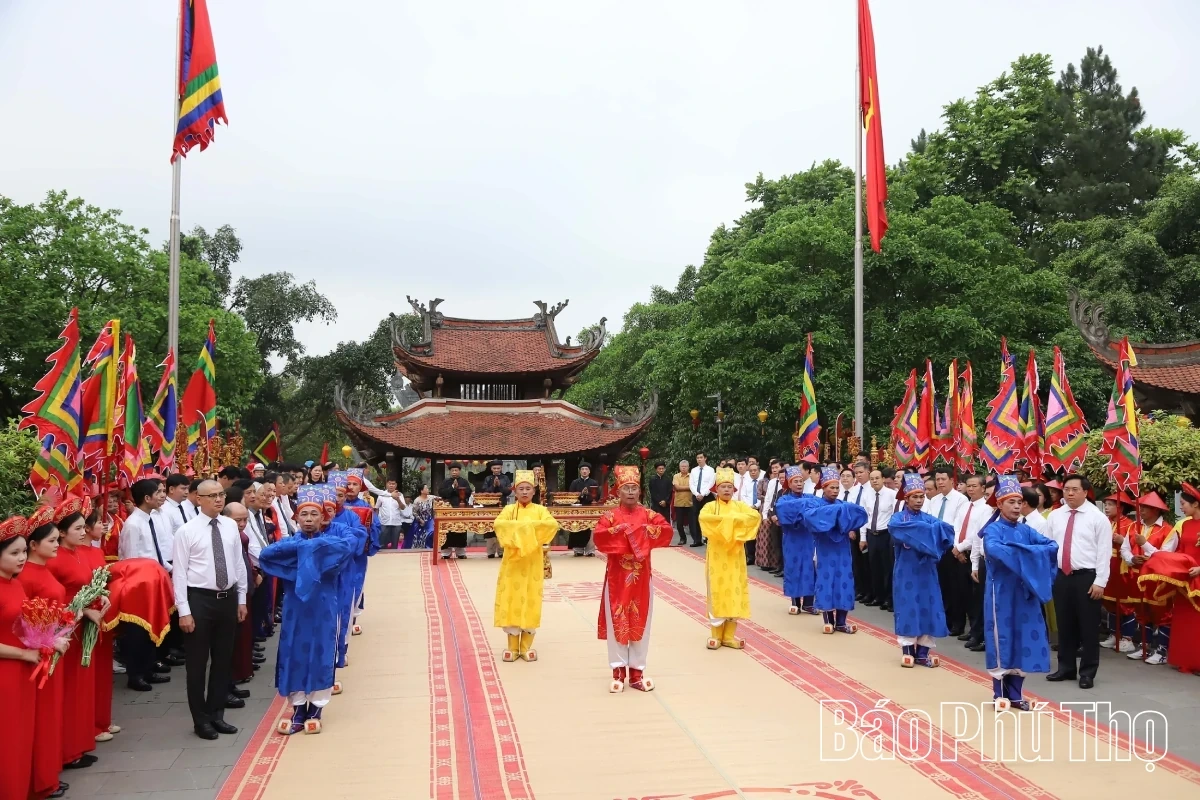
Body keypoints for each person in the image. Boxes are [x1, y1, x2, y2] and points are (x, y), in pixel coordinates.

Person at [260, 485, 356, 735]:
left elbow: (346, 548)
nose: (309, 519)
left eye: (315, 514)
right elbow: (266, 556)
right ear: (296, 518)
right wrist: (308, 551)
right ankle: (298, 708)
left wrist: (304, 552)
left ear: (324, 517)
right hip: (296, 608)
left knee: (321, 652)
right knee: (294, 652)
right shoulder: (289, 543)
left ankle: (316, 708)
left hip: (324, 604)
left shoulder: (334, 541)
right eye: (304, 515)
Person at [172, 479, 249, 739]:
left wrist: (241, 599)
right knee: (196, 664)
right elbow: (179, 573)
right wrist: (184, 610)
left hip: (227, 599)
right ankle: (200, 719)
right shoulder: (187, 531)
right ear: (199, 498)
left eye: (221, 495)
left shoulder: (229, 526)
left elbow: (238, 563)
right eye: (212, 496)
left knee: (223, 658)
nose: (218, 500)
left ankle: (217, 714)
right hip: (199, 600)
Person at [43, 494, 110, 769]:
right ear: (60, 533)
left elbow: (86, 587)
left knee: (82, 687)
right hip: (66, 630)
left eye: (85, 528)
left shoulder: (79, 554)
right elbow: (52, 599)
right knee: (70, 690)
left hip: (84, 627)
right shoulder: (55, 560)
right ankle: (68, 750)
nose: (84, 533)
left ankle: (79, 743)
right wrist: (81, 611)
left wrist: (100, 597)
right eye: (78, 529)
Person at [981, 475, 1059, 710]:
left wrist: (1023, 551)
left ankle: (1015, 694)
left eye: (1019, 502)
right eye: (1011, 502)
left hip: (1025, 593)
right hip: (1001, 595)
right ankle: (999, 694)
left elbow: (1051, 546)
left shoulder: (1026, 531)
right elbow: (995, 551)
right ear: (999, 504)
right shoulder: (992, 531)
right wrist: (1031, 553)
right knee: (1002, 638)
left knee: (1023, 638)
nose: (1016, 506)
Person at [593, 465, 671, 692]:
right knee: (617, 620)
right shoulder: (609, 516)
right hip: (617, 579)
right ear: (618, 490)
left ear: (639, 492)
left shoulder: (649, 515)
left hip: (642, 579)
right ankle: (618, 672)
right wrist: (625, 532)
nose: (630, 492)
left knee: (641, 622)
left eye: (634, 488)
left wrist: (635, 532)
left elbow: (665, 531)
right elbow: (600, 537)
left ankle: (637, 672)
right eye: (626, 488)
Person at [18, 518, 72, 799]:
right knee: (42, 718)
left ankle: (48, 774)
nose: (56, 545)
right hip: (37, 656)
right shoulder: (25, 576)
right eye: (51, 541)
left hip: (52, 648)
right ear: (33, 545)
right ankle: (40, 779)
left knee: (52, 714)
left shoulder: (44, 568)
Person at [1045, 474, 1110, 689]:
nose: (1069, 493)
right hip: (1061, 576)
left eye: (1074, 489)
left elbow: (1104, 552)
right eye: (1066, 489)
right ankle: (1066, 667)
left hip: (1087, 577)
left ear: (1085, 491)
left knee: (1088, 627)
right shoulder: (1056, 516)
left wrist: (1100, 581)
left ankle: (1088, 672)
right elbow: (1048, 546)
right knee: (1065, 624)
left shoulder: (1097, 517)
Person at [493, 471, 560, 663]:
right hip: (512, 562)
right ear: (515, 491)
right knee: (511, 599)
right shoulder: (508, 510)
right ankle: (512, 647)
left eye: (528, 488)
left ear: (534, 491)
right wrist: (529, 529)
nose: (524, 492)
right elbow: (499, 525)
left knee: (531, 598)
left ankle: (526, 646)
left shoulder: (540, 510)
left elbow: (550, 525)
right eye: (521, 488)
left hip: (532, 561)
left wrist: (520, 530)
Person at [888, 473, 953, 668]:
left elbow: (947, 531)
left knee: (929, 607)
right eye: (914, 497)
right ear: (906, 498)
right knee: (908, 607)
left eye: (921, 496)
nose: (918, 500)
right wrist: (926, 531)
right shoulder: (898, 518)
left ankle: (923, 652)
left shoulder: (929, 519)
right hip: (906, 571)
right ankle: (907, 651)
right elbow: (895, 529)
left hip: (927, 571)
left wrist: (922, 532)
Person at [0, 516, 45, 800]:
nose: (21, 558)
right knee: (7, 740)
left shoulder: (16, 584)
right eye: (14, 553)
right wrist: (24, 653)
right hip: (6, 673)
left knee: (21, 739)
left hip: (24, 671)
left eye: (23, 552)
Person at [1135, 481, 1200, 674]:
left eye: (1184, 504)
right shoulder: (1182, 525)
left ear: (1196, 504)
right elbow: (1168, 552)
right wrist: (1148, 548)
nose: (1180, 507)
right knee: (1185, 621)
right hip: (1185, 580)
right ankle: (1187, 660)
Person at [698, 467, 760, 649]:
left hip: (735, 557)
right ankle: (716, 635)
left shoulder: (740, 506)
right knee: (717, 592)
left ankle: (729, 636)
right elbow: (705, 519)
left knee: (735, 592)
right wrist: (733, 522)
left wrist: (728, 521)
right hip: (717, 557)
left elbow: (754, 517)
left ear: (734, 489)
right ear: (716, 489)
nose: (726, 490)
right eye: (723, 486)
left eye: (729, 487)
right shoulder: (710, 507)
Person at [806, 466, 870, 634]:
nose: (834, 491)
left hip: (842, 549)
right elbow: (811, 518)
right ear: (823, 488)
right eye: (831, 487)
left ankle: (841, 622)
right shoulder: (815, 504)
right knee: (826, 581)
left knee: (844, 582)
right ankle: (828, 620)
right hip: (825, 549)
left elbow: (860, 514)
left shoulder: (843, 505)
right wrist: (836, 513)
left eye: (837, 488)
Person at [774, 466, 821, 615]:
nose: (799, 484)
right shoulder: (783, 499)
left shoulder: (810, 497)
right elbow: (783, 509)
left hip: (808, 538)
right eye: (795, 481)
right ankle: (795, 602)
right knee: (793, 568)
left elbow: (819, 505)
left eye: (801, 481)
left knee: (809, 568)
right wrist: (804, 508)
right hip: (792, 539)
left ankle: (808, 603)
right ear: (789, 483)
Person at [1098, 492, 1140, 654]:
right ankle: (1114, 634)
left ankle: (1128, 637)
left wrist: (1123, 541)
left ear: (1120, 507)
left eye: (1110, 505)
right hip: (1107, 564)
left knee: (1125, 603)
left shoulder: (1130, 525)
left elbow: (1135, 546)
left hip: (1122, 566)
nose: (1106, 508)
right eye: (1106, 504)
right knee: (1110, 602)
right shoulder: (1105, 522)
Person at [341, 468, 381, 635]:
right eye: (348, 484)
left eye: (355, 484)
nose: (351, 487)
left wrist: (368, 544)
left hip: (357, 556)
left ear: (361, 487)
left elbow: (376, 526)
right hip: (338, 553)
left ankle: (353, 619)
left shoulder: (366, 506)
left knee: (356, 583)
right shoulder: (335, 506)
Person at [957, 475, 994, 652]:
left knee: (978, 599)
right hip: (960, 553)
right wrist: (957, 547)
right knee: (964, 594)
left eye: (974, 486)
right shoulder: (964, 505)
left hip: (974, 553)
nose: (970, 489)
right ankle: (973, 631)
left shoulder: (986, 509)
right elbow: (958, 527)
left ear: (982, 488)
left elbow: (977, 534)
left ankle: (978, 633)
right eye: (969, 486)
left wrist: (963, 547)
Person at [864, 468, 897, 611]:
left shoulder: (892, 495)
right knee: (874, 567)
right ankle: (878, 596)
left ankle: (888, 599)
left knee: (887, 568)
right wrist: (863, 537)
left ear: (883, 479)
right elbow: (865, 517)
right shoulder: (867, 495)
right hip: (872, 534)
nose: (874, 481)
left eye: (877, 478)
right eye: (872, 478)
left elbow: (895, 516)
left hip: (885, 535)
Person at [437, 463, 472, 558]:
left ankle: (460, 553)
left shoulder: (464, 481)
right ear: (450, 471)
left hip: (461, 508)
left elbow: (468, 492)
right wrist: (452, 487)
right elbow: (442, 493)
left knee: (461, 530)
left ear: (459, 471)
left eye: (456, 470)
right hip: (448, 509)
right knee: (447, 530)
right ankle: (446, 553)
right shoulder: (446, 481)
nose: (454, 472)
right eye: (452, 470)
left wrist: (458, 489)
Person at [756, 460, 784, 575]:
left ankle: (783, 567)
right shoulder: (772, 482)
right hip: (771, 515)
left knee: (783, 542)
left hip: (782, 516)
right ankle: (777, 565)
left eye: (777, 467)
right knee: (775, 542)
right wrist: (765, 515)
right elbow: (768, 499)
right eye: (773, 468)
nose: (775, 470)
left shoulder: (786, 482)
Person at [481, 461, 513, 558]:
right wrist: (493, 486)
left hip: (502, 506)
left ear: (501, 468)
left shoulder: (505, 478)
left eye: (498, 468)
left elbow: (508, 491)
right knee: (490, 528)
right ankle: (490, 551)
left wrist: (499, 485)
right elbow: (485, 491)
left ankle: (501, 551)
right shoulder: (487, 478)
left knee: (501, 527)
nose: (496, 470)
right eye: (494, 468)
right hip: (489, 506)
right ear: (491, 469)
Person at [568, 462, 600, 556]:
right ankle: (578, 550)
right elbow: (571, 495)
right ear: (580, 471)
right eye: (582, 469)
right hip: (577, 509)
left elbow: (597, 496)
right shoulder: (575, 482)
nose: (584, 471)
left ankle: (590, 550)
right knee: (577, 528)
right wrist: (581, 494)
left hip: (590, 508)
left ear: (589, 471)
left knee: (590, 528)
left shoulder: (593, 482)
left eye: (586, 469)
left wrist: (588, 495)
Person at [369, 477, 407, 550]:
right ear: (386, 484)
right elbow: (376, 508)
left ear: (396, 485)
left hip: (396, 523)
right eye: (390, 484)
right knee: (382, 543)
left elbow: (403, 507)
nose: (391, 485)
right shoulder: (381, 495)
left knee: (394, 544)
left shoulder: (400, 495)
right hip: (384, 522)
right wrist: (375, 521)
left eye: (393, 484)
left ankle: (394, 559)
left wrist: (398, 499)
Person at [689, 452, 715, 547]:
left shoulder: (710, 470)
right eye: (697, 458)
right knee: (696, 517)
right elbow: (691, 484)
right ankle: (697, 540)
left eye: (701, 457)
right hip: (696, 496)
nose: (699, 459)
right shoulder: (693, 470)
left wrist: (703, 494)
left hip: (707, 496)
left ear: (705, 458)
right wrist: (697, 494)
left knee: (708, 517)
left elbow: (711, 484)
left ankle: (708, 538)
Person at [671, 460, 692, 546]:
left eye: (685, 466)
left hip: (690, 502)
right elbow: (677, 487)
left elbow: (693, 487)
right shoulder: (676, 476)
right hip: (679, 502)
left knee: (693, 523)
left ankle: (696, 539)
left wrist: (682, 487)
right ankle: (682, 538)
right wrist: (689, 487)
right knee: (679, 523)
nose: (683, 468)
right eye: (682, 466)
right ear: (679, 467)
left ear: (688, 467)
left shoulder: (692, 476)